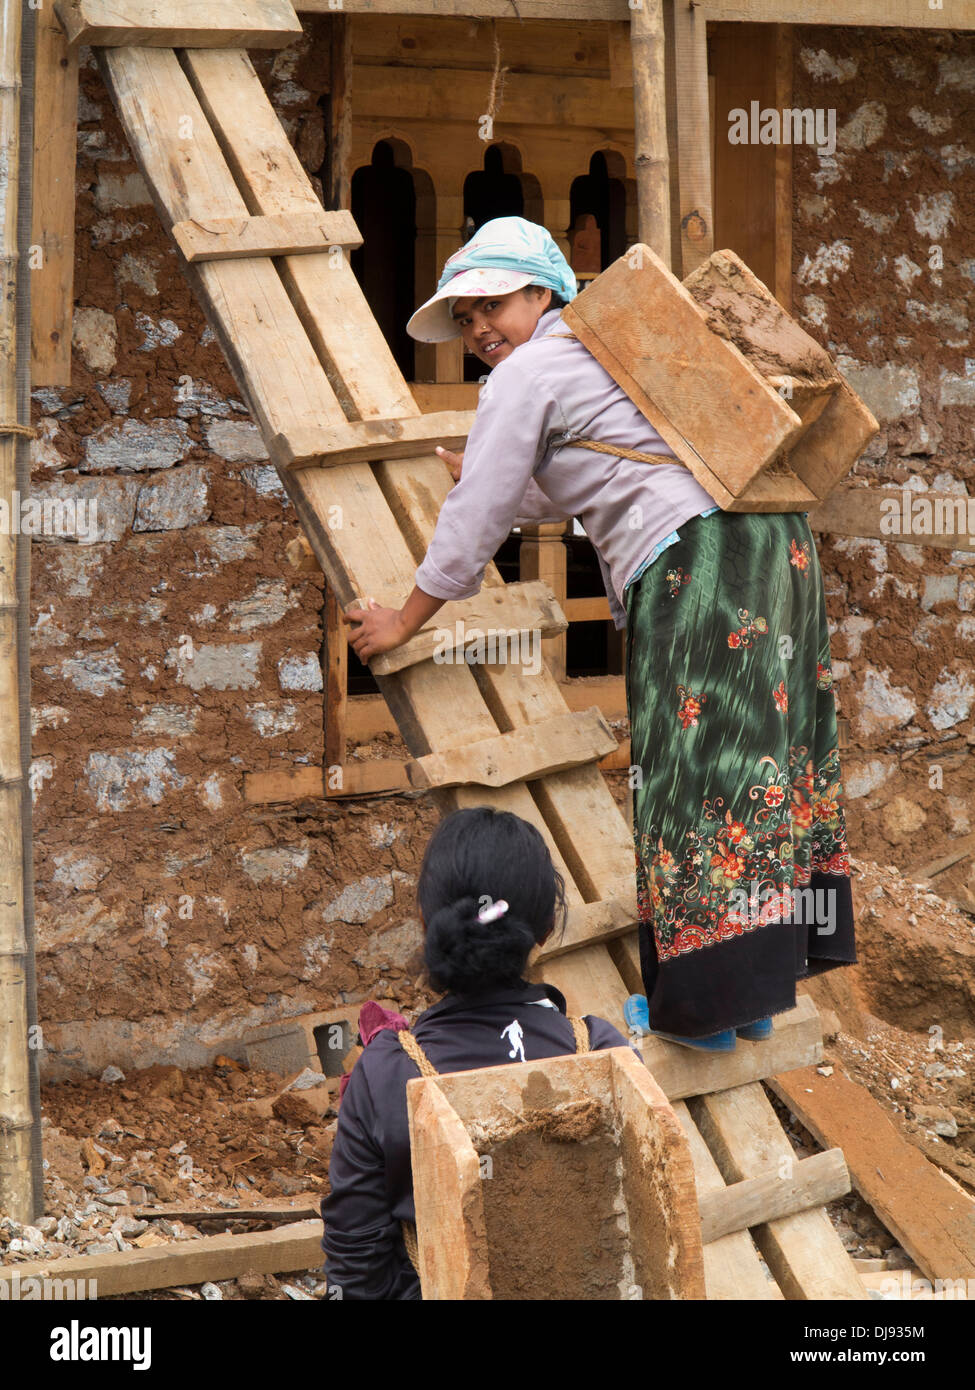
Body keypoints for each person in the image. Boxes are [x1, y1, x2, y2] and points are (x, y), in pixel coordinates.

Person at [342, 215, 856, 1054]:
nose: (477, 331)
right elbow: (585, 481)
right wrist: (482, 470)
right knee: (760, 760)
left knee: (690, 775)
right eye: (464, 320)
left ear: (541, 293)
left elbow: (476, 524)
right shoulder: (596, 354)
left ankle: (699, 1013)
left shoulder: (527, 374)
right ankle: (753, 995)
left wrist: (405, 617)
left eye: (491, 307)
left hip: (695, 561)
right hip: (770, 543)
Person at [321, 805, 634, 1301]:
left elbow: (357, 1265)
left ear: (425, 920)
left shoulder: (387, 1073)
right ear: (548, 927)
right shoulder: (601, 1052)